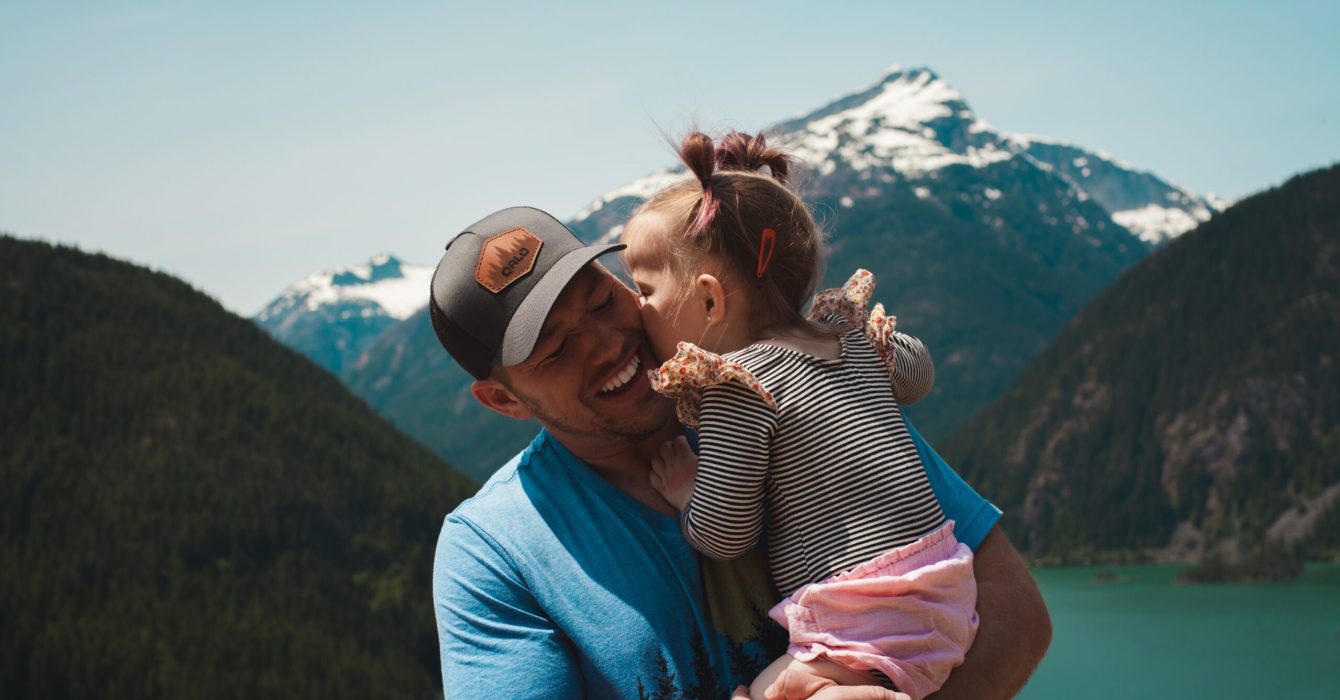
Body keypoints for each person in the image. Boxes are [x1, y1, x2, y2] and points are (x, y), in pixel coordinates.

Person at [428, 205, 1050, 699]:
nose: (607, 343)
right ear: (503, 400)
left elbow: (1016, 615)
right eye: (556, 350)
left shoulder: (791, 384)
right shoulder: (491, 554)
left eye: (601, 299)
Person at [621, 131, 975, 700]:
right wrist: (881, 345)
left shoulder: (737, 386)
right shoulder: (847, 337)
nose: (636, 309)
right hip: (948, 585)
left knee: (766, 694)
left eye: (644, 290)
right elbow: (918, 376)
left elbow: (727, 533)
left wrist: (689, 492)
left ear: (710, 300)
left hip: (862, 614)